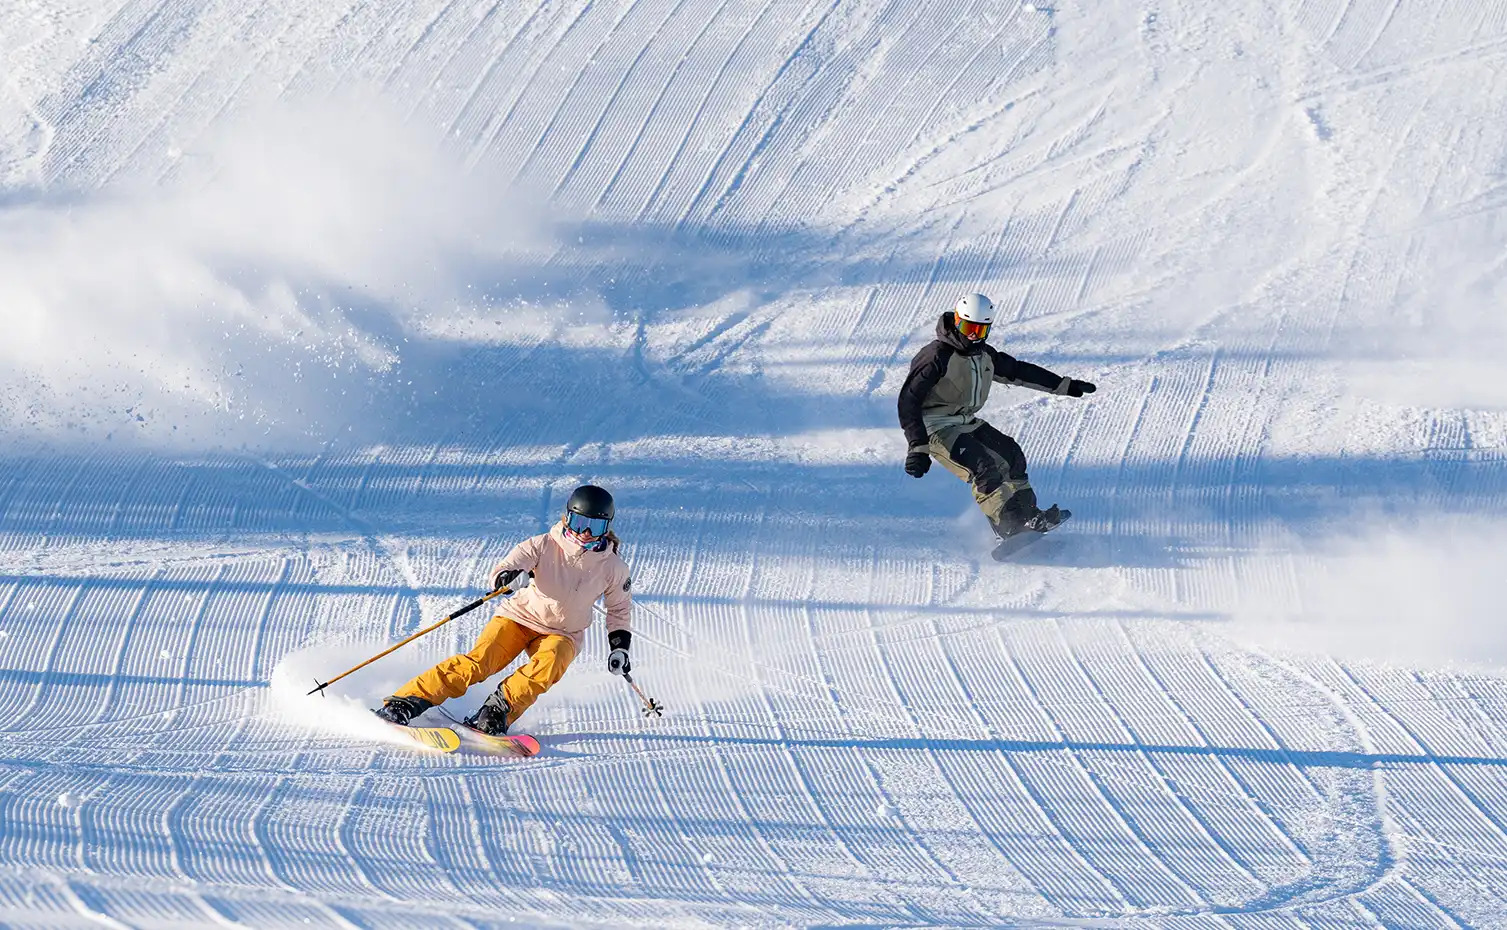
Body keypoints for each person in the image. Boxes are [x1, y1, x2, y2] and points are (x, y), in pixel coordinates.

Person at [375, 484, 633, 734]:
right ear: (568, 518)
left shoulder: (613, 568)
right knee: (480, 662)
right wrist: (507, 578)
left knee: (549, 664)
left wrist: (619, 647)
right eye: (579, 523)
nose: (585, 532)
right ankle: (405, 703)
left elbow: (619, 609)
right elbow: (505, 568)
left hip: (564, 633)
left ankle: (495, 713)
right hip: (519, 619)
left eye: (595, 526)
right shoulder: (543, 545)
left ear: (606, 528)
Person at [898, 293, 1097, 540]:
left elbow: (1018, 371)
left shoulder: (983, 355)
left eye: (979, 331)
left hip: (965, 421)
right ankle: (1009, 526)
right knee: (984, 467)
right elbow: (909, 400)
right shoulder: (936, 355)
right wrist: (918, 446)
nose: (972, 335)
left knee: (1011, 455)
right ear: (957, 321)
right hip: (936, 428)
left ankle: (1029, 517)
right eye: (967, 327)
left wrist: (1064, 385)